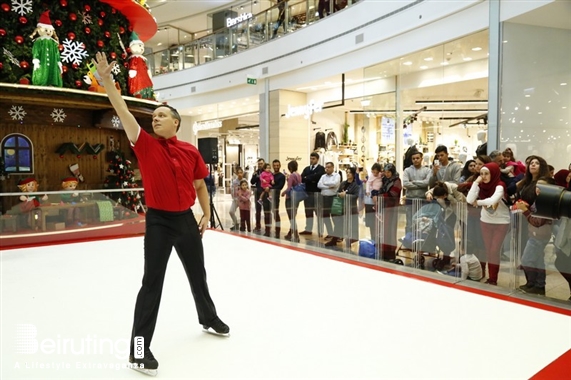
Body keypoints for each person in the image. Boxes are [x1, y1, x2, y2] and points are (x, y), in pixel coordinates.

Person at [94, 52, 228, 374]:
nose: (155, 119)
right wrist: (108, 82)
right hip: (158, 222)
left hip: (186, 219)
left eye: (161, 116)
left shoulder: (191, 151)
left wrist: (206, 214)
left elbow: (200, 187)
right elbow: (122, 110)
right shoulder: (144, 144)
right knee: (151, 284)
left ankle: (208, 317)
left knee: (199, 274)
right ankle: (138, 351)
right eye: (153, 116)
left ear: (176, 123)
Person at [466, 162, 511, 285]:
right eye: (481, 174)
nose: (484, 176)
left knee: (494, 250)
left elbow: (492, 200)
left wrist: (478, 203)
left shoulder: (500, 185)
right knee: (488, 250)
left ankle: (493, 279)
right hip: (485, 221)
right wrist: (476, 182)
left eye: (487, 174)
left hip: (501, 221)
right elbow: (469, 199)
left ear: (494, 173)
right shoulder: (480, 185)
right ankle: (489, 277)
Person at [515, 179, 554, 296]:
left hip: (539, 235)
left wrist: (525, 211)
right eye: (537, 186)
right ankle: (538, 285)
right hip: (536, 234)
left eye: (542, 186)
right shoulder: (541, 200)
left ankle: (534, 284)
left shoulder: (546, 202)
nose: (538, 189)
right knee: (538, 261)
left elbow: (537, 221)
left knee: (527, 260)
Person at [325, 166, 360, 247]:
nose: (348, 174)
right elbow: (337, 192)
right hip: (341, 207)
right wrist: (340, 194)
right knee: (338, 224)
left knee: (350, 225)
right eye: (347, 172)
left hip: (350, 208)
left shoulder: (356, 184)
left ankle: (349, 242)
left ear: (353, 174)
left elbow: (356, 196)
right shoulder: (343, 183)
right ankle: (334, 239)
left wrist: (346, 195)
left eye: (350, 172)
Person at [378, 164, 402, 260]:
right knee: (383, 230)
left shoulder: (397, 181)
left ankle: (390, 253)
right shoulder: (385, 180)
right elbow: (380, 190)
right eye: (385, 172)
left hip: (392, 209)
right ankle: (383, 251)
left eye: (389, 172)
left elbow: (393, 194)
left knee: (390, 230)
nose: (387, 174)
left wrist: (381, 196)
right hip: (384, 208)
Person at [402, 151, 431, 235]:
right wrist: (421, 184)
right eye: (413, 158)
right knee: (410, 221)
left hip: (423, 200)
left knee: (422, 221)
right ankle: (408, 241)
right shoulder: (407, 170)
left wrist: (413, 182)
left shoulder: (427, 170)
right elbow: (406, 184)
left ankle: (421, 241)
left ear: (421, 159)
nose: (415, 160)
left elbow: (427, 182)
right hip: (410, 199)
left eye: (417, 158)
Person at [300, 152, 325, 237]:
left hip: (317, 193)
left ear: (317, 159)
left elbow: (318, 177)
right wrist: (310, 178)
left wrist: (308, 178)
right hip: (307, 193)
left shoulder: (321, 169)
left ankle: (320, 230)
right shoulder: (307, 168)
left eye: (313, 159)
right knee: (308, 212)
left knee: (318, 212)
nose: (311, 160)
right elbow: (302, 178)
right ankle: (308, 229)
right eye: (311, 158)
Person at [317, 161, 341, 243]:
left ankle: (337, 234)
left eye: (328, 167)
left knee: (335, 217)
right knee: (326, 217)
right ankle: (330, 233)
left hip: (334, 198)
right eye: (326, 167)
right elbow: (319, 185)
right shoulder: (323, 176)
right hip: (324, 198)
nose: (327, 169)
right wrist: (328, 186)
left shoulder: (337, 175)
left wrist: (325, 184)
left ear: (333, 168)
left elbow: (335, 184)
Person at [281, 160, 302, 242]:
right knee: (293, 216)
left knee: (291, 217)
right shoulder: (298, 175)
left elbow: (289, 188)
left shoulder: (292, 176)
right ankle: (290, 234)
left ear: (290, 167)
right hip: (297, 198)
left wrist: (283, 192)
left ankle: (296, 235)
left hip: (290, 198)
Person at [266, 159, 286, 238]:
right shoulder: (270, 174)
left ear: (280, 166)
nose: (276, 167)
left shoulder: (281, 176)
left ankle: (277, 231)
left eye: (277, 165)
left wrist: (270, 188)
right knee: (267, 213)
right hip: (267, 197)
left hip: (275, 198)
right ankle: (268, 230)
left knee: (275, 214)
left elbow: (279, 186)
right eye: (274, 165)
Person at [364, 163, 383, 239]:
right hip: (373, 193)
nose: (375, 174)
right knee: (372, 221)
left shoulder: (381, 175)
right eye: (373, 172)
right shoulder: (371, 176)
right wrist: (368, 191)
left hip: (379, 193)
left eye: (376, 172)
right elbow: (368, 183)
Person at [250, 158, 266, 232]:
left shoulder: (267, 172)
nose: (260, 165)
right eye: (259, 164)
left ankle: (267, 227)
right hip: (257, 193)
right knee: (258, 211)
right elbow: (252, 182)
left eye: (261, 163)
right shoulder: (256, 172)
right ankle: (258, 226)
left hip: (265, 193)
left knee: (266, 210)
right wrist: (255, 176)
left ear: (264, 164)